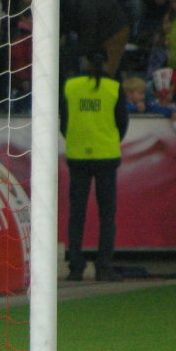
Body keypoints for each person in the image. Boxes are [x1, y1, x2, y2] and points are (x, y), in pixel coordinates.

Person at [60, 50, 129, 282]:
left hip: (78, 155)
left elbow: (64, 121)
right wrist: (107, 140)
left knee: (76, 214)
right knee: (107, 215)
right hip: (106, 156)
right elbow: (122, 123)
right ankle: (104, 266)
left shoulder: (71, 86)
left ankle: (76, 267)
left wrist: (76, 140)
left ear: (85, 61)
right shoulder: (113, 87)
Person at [60, 0, 130, 81]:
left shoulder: (86, 8)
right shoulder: (64, 1)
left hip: (115, 30)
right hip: (98, 25)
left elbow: (87, 42)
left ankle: (110, 92)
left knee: (106, 74)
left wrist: (66, 54)